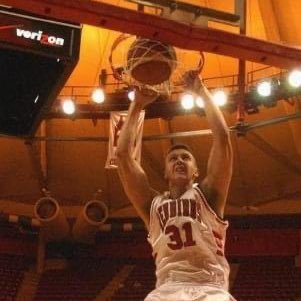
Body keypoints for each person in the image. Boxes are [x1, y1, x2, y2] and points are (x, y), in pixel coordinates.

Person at [116, 71, 235, 301]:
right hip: (167, 290)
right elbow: (122, 155)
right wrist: (137, 104)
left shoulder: (209, 195)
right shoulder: (151, 205)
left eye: (185, 158)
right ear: (165, 171)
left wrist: (202, 92)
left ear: (196, 171)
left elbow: (222, 138)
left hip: (209, 287)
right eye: (173, 158)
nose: (179, 160)